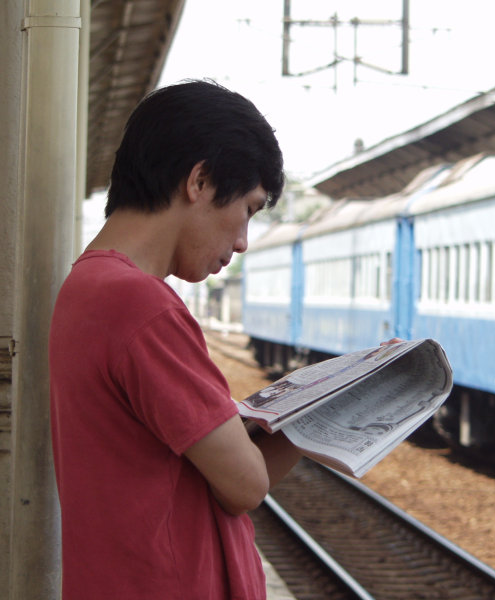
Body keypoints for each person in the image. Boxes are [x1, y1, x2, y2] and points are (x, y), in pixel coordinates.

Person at [49, 79, 302, 600]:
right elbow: (245, 486)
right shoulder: (139, 305)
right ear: (200, 181)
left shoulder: (87, 286)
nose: (241, 242)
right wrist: (328, 418)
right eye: (249, 210)